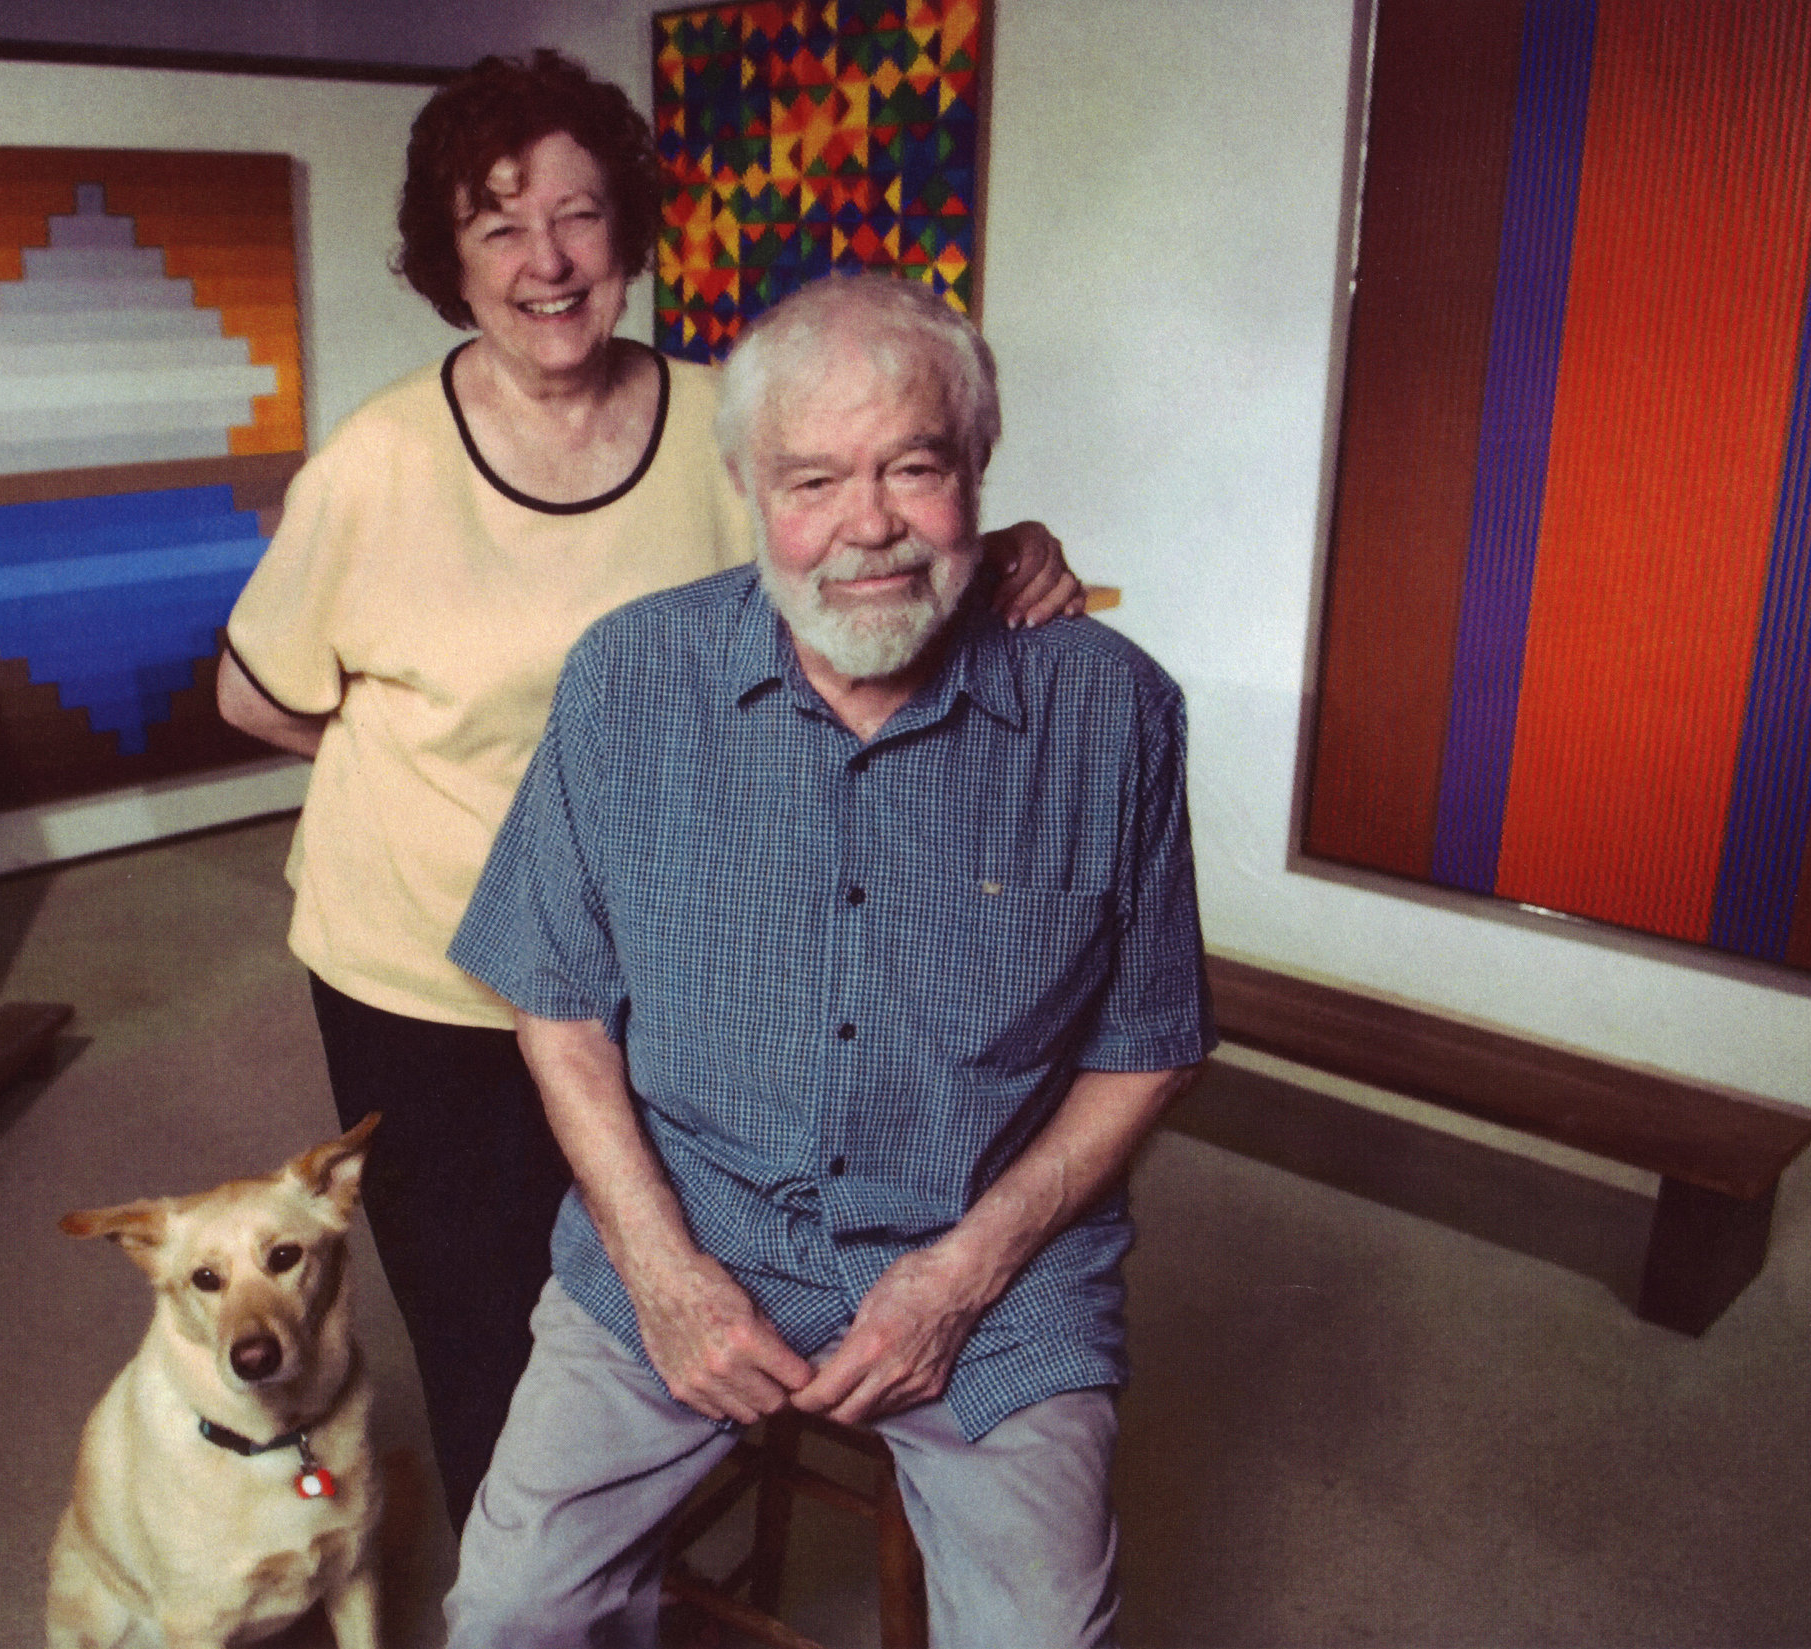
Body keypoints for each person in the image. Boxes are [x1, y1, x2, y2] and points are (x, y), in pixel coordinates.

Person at [214, 52, 1087, 1531]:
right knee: (487, 1309)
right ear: (450, 258)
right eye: (499, 225)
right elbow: (257, 695)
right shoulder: (375, 463)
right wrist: (478, 788)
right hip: (423, 965)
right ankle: (545, 1582)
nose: (545, 261)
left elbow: (865, 548)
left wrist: (1011, 556)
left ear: (628, 234)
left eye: (578, 216)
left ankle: (653, 1529)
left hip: (674, 955)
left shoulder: (726, 421)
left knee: (682, 1265)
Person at [439, 272, 1213, 1648]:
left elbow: (1147, 1043)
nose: (868, 526)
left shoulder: (1114, 711)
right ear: (748, 490)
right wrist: (666, 1274)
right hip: (688, 1228)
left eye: (913, 467)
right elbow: (557, 1010)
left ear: (978, 471)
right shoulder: (629, 679)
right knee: (507, 1609)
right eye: (812, 479)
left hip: (994, 1263)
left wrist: (963, 1273)